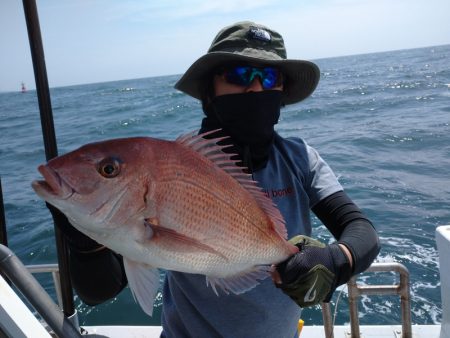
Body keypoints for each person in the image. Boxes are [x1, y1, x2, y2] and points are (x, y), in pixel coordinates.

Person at [57, 21, 380, 338]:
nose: (256, 87)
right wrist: (84, 242)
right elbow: (99, 292)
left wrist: (335, 260)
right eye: (239, 74)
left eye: (269, 76)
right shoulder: (168, 169)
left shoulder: (300, 159)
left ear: (282, 92)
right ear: (210, 91)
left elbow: (361, 231)